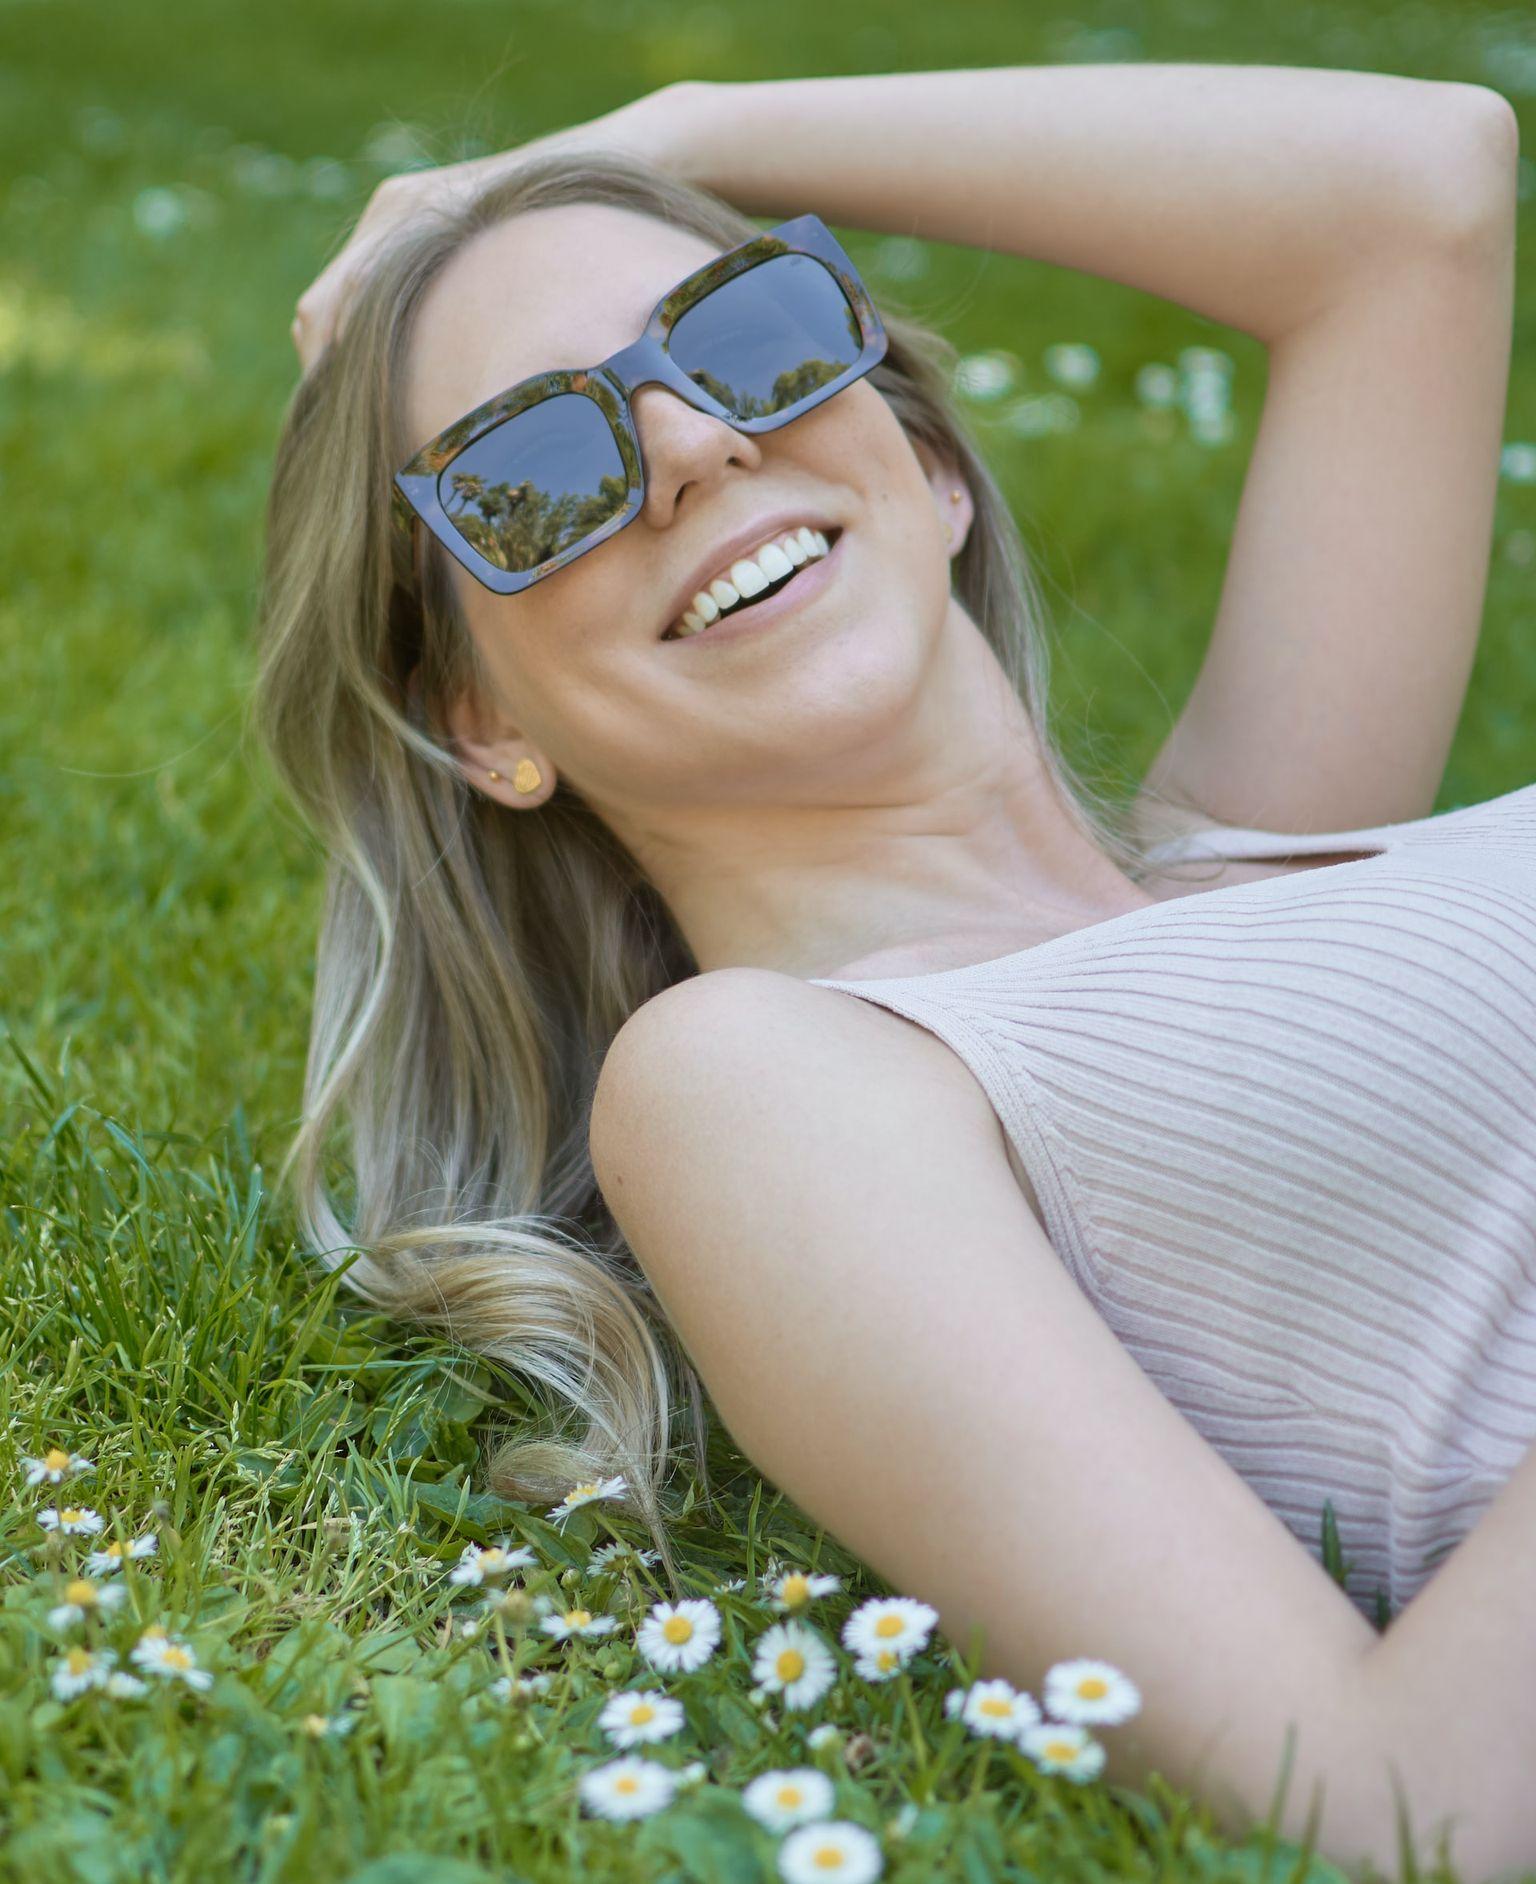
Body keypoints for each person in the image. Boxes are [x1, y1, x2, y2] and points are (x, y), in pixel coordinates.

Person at [259, 65, 1534, 1879]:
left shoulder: (1270, 836)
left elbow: (1418, 190)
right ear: (480, 722)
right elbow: (1401, 1809)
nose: (692, 445)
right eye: (533, 467)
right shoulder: (766, 1082)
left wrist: (674, 134)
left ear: (927, 469)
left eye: (748, 336)